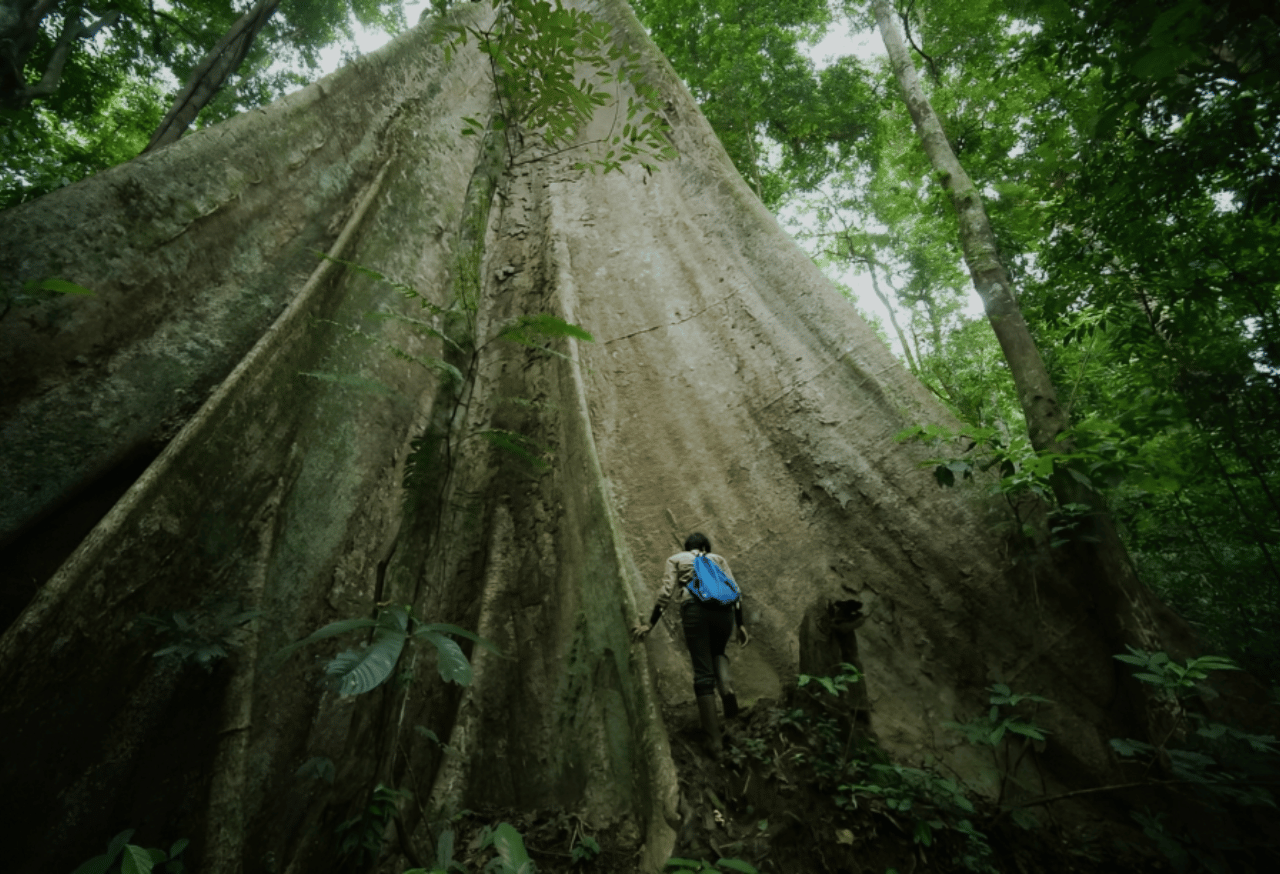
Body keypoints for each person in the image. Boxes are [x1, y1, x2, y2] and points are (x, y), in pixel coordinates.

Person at [631, 532, 750, 754]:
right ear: (705, 547)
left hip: (695, 609)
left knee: (703, 672)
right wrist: (741, 624)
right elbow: (736, 592)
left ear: (687, 548)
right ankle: (728, 694)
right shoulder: (718, 559)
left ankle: (714, 741)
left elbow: (666, 592)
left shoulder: (676, 559)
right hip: (724, 613)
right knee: (718, 651)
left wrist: (650, 624)